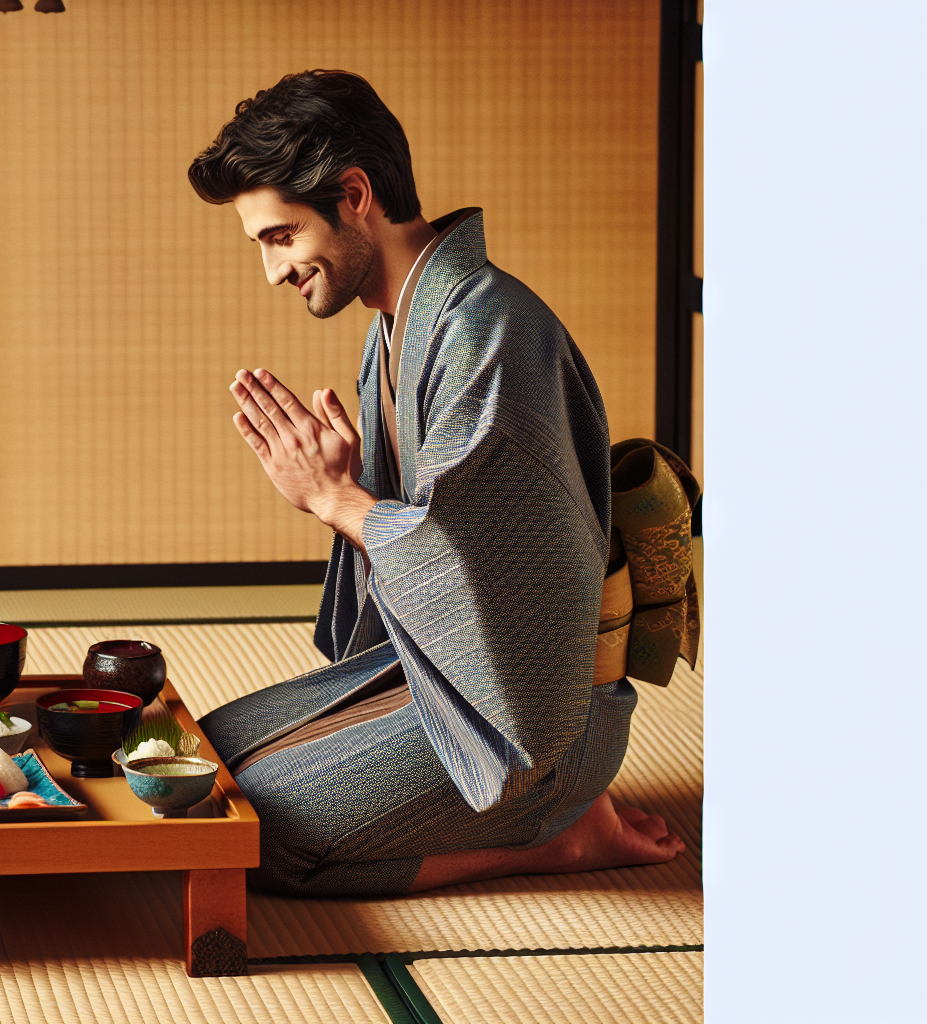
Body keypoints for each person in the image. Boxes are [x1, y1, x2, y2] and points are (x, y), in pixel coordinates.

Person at [187, 71, 698, 897]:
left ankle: (559, 833)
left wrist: (337, 500)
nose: (273, 271)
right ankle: (563, 811)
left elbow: (489, 572)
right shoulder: (398, 328)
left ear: (353, 194)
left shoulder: (488, 336)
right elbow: (436, 552)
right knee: (208, 760)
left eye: (280, 236)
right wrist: (348, 493)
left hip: (547, 720)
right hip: (468, 678)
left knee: (256, 836)